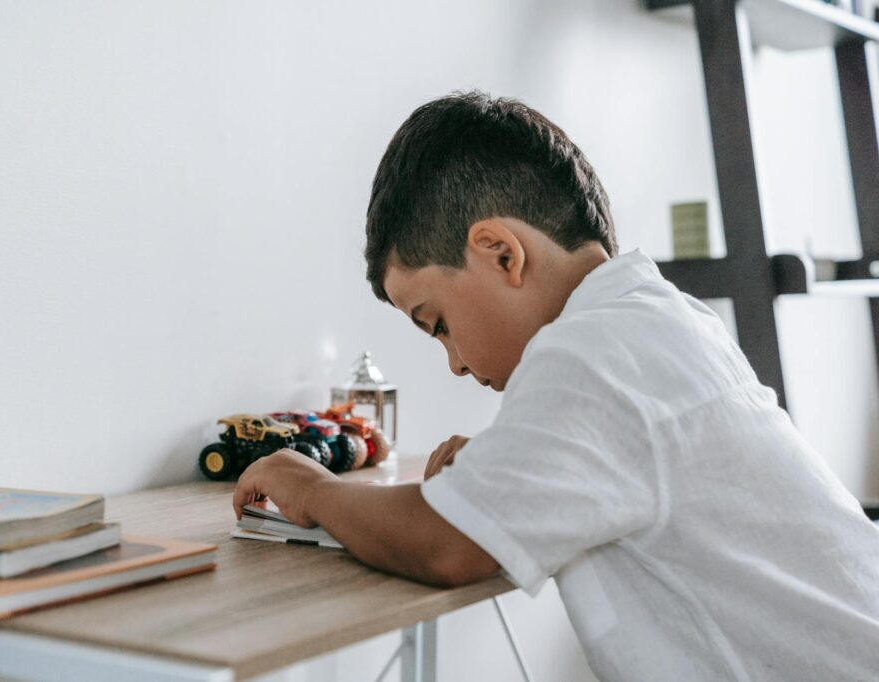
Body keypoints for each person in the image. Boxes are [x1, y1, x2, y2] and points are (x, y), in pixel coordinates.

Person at [233, 91, 879, 680]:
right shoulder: (653, 322)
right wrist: (491, 470)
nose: (455, 363)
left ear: (501, 253)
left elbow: (447, 545)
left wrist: (312, 487)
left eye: (438, 324)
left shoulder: (594, 351)